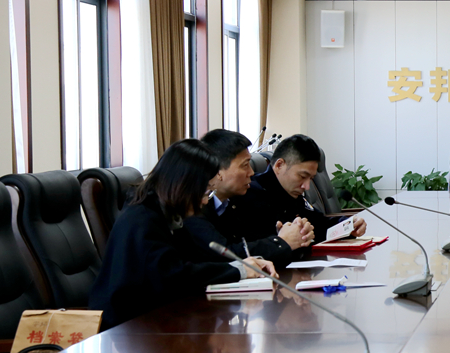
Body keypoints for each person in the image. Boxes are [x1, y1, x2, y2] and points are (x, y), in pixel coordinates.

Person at [90, 139, 275, 330]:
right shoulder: (143, 219)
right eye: (205, 192)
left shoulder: (165, 213)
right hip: (127, 328)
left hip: (159, 317)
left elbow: (194, 260)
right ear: (185, 185)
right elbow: (174, 277)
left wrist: (244, 264)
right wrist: (238, 270)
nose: (205, 201)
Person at [185, 129, 314, 269]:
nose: (251, 172)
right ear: (217, 170)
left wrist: (293, 234)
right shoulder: (193, 208)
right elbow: (227, 254)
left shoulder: (235, 202)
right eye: (245, 165)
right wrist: (281, 242)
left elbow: (251, 245)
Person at [232, 133, 366, 245]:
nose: (306, 186)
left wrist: (348, 225)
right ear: (279, 165)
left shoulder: (291, 194)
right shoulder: (250, 195)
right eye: (302, 176)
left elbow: (320, 224)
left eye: (311, 178)